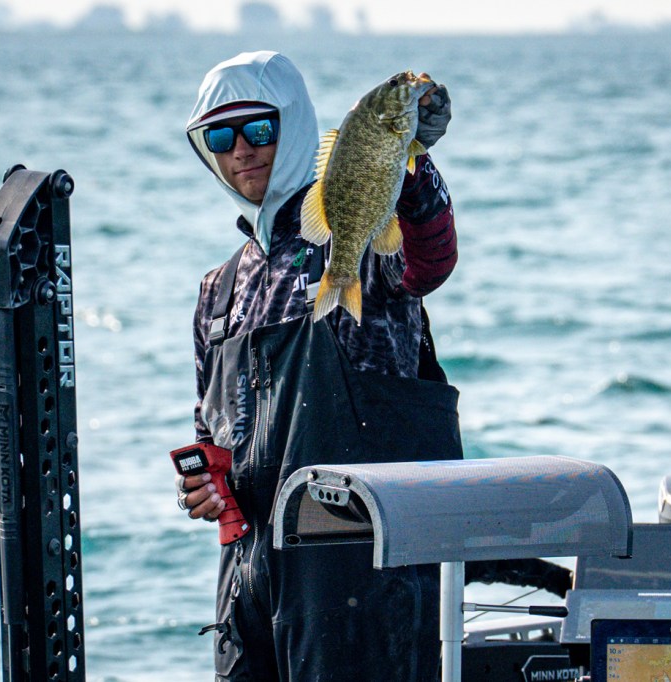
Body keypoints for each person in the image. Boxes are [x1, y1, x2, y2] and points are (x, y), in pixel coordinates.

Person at [176, 50, 461, 682]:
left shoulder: (354, 233)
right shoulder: (217, 291)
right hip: (249, 587)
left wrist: (413, 164)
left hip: (365, 579)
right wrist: (202, 486)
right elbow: (211, 433)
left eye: (259, 129)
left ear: (295, 124)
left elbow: (428, 260)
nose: (241, 150)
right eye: (220, 137)